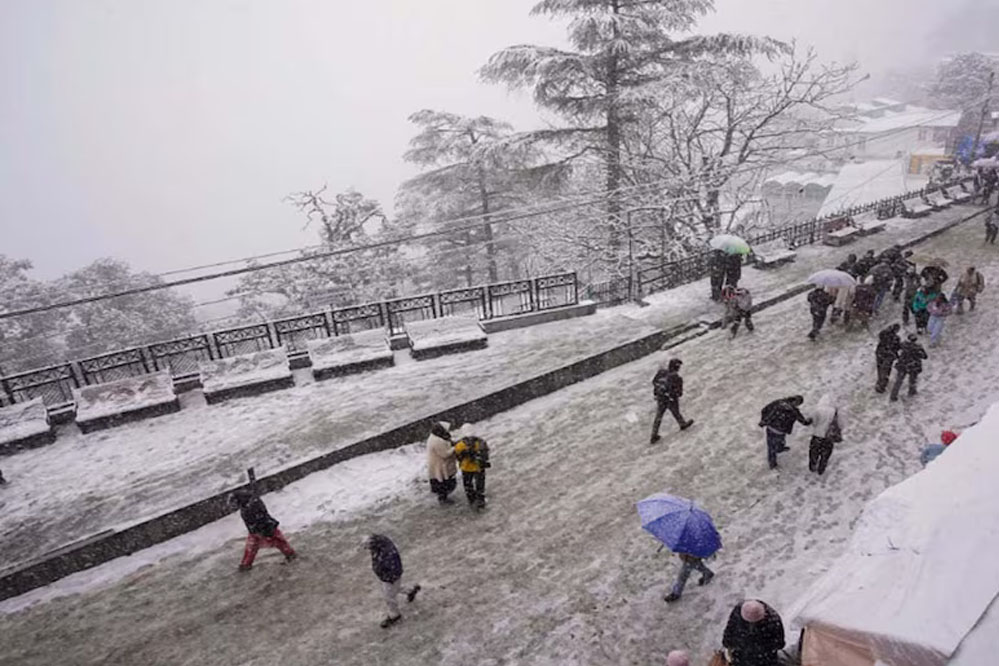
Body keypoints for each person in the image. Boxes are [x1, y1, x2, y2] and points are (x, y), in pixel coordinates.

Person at [231, 487, 297, 571]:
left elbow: (262, 517)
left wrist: (264, 531)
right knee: (252, 548)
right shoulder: (247, 504)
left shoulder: (253, 505)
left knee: (278, 542)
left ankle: (290, 554)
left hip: (266, 528)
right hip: (257, 530)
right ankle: (246, 565)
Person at [363, 534, 421, 628]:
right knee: (395, 588)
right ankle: (410, 590)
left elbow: (392, 566)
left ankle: (394, 615)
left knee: (388, 596)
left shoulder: (387, 553)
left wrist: (389, 577)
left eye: (368, 547)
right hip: (388, 577)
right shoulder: (381, 547)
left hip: (390, 577)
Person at [722, 599, 786, 666]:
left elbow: (730, 629)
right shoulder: (773, 620)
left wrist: (727, 643)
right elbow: (779, 643)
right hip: (762, 658)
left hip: (744, 655)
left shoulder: (773, 621)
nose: (752, 625)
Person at [759, 396, 812, 470]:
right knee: (773, 446)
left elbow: (764, 410)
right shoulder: (794, 411)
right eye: (797, 404)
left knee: (773, 445)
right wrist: (811, 420)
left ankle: (778, 452)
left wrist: (764, 421)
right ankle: (773, 463)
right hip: (781, 431)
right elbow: (804, 422)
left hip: (771, 428)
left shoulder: (778, 402)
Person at [650, 358, 694, 443]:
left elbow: (654, 382)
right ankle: (682, 424)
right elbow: (680, 392)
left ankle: (654, 434)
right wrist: (674, 394)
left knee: (659, 416)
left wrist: (658, 391)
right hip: (671, 398)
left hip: (661, 397)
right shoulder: (677, 378)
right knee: (676, 412)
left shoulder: (661, 372)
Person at [807, 395, 842, 476]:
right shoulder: (835, 412)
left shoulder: (817, 410)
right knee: (825, 455)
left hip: (817, 435)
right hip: (829, 437)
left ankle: (812, 466)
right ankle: (821, 469)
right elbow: (841, 424)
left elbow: (814, 422)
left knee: (813, 452)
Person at [454, 433, 490, 510]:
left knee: (468, 485)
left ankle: (471, 499)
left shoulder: (460, 445)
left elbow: (457, 456)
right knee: (480, 484)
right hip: (478, 467)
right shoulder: (480, 443)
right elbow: (485, 454)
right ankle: (480, 500)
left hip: (466, 468)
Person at [890, 334, 928, 402]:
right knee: (912, 380)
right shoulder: (918, 347)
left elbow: (895, 348)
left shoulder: (903, 345)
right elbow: (925, 356)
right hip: (913, 365)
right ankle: (912, 391)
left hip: (903, 364)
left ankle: (893, 395)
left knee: (899, 381)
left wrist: (899, 356)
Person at [426, 421, 457, 505]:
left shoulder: (435, 437)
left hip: (437, 465)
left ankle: (443, 497)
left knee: (441, 482)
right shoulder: (437, 441)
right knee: (443, 482)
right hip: (440, 466)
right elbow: (445, 454)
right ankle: (443, 499)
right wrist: (455, 448)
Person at [874, 324, 901, 393]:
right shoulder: (896, 338)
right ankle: (882, 385)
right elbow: (897, 348)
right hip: (889, 355)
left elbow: (880, 338)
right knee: (886, 370)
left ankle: (879, 382)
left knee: (880, 368)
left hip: (880, 353)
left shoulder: (883, 333)